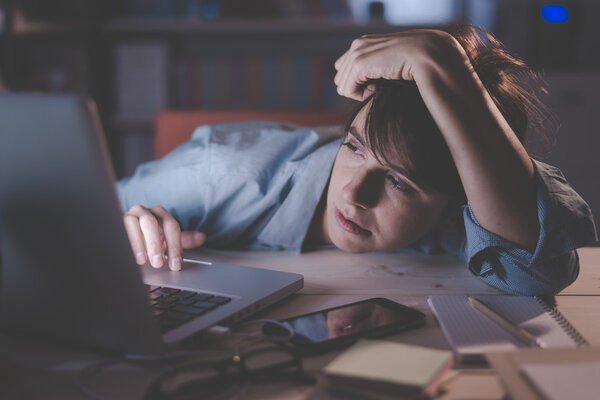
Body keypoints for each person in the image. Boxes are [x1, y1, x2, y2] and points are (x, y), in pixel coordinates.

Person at [117, 24, 597, 296]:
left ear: (455, 207)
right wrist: (121, 226)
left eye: (400, 184)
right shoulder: (221, 173)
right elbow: (63, 215)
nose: (352, 192)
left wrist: (442, 62)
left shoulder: (462, 220)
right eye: (353, 147)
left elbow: (534, 273)